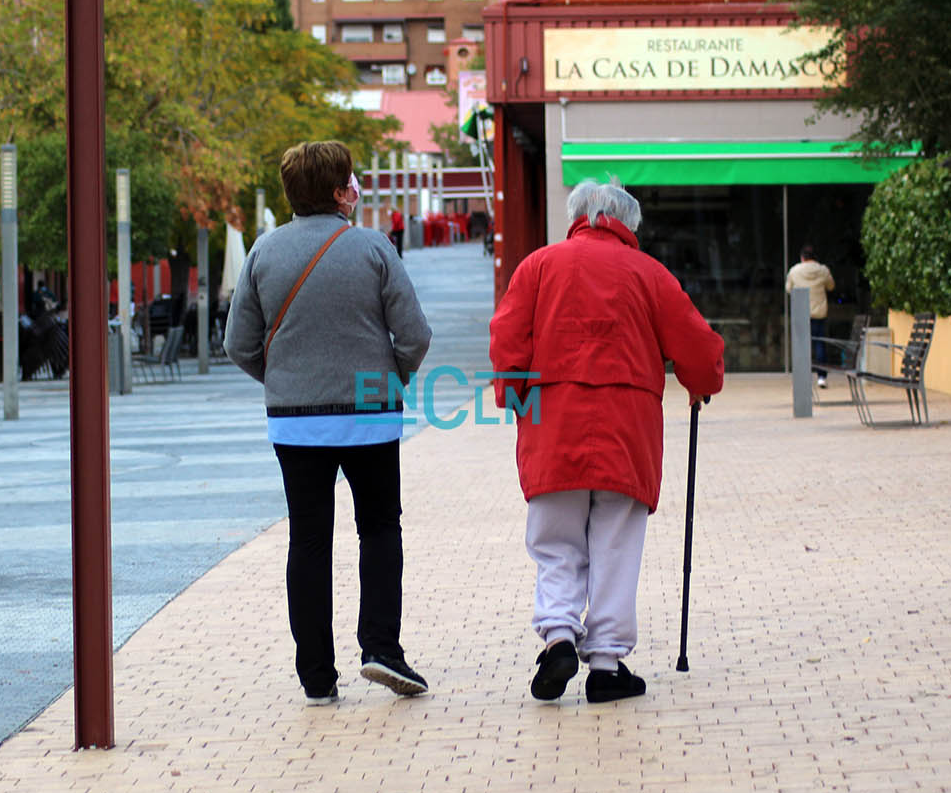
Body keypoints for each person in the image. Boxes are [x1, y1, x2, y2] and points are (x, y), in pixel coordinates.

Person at [488, 178, 725, 704]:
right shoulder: (648, 273)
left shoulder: (538, 266)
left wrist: (511, 393)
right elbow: (694, 340)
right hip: (626, 426)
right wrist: (702, 382)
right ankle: (606, 663)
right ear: (627, 224)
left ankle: (557, 637)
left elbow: (507, 336)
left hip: (552, 423)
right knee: (615, 542)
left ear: (577, 216)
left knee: (554, 541)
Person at [225, 141, 433, 706]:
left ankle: (317, 676)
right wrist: (394, 377)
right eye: (352, 183)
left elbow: (237, 343)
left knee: (309, 540)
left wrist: (283, 378)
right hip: (369, 418)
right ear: (342, 192)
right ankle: (381, 650)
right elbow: (414, 334)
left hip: (295, 424)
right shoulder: (373, 248)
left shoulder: (263, 253)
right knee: (380, 530)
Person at [785, 245, 836, 388]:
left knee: (802, 346)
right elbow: (831, 286)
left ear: (802, 258)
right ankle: (821, 377)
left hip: (802, 313)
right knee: (820, 344)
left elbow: (789, 288)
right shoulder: (823, 270)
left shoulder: (795, 271)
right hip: (819, 312)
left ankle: (803, 378)